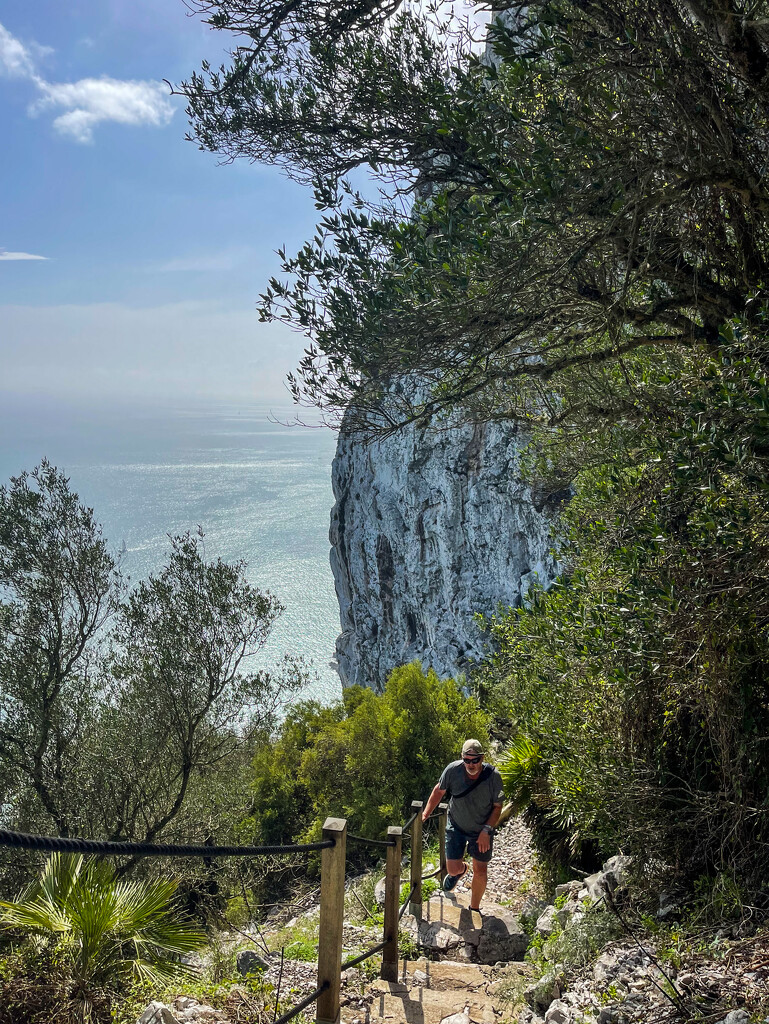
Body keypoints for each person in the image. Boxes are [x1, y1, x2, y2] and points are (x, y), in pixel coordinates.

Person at [421, 739, 504, 912]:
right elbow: (439, 790)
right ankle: (460, 871)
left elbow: (497, 807)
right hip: (456, 825)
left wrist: (486, 830)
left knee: (480, 869)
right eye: (467, 760)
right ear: (462, 758)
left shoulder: (493, 777)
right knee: (451, 869)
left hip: (481, 829)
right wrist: (426, 813)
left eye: (475, 760)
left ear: (482, 758)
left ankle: (474, 908)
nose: (471, 764)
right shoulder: (452, 770)